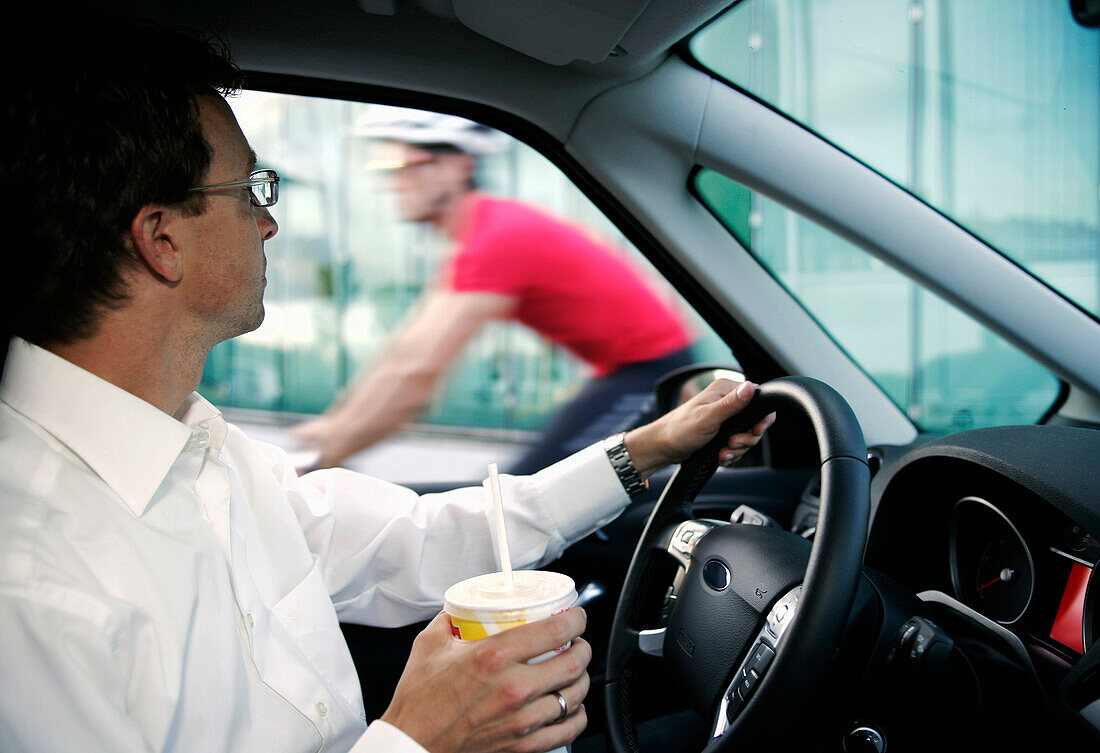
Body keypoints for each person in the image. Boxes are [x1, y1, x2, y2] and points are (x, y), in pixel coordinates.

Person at [0, 14, 774, 753]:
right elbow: (409, 369)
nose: (268, 222)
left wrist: (646, 450)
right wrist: (419, 736)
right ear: (161, 239)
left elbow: (422, 539)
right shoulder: (32, 587)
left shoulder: (205, 447)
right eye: (249, 191)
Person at [292, 109, 698, 473]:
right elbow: (407, 350)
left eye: (404, 163)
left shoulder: (497, 238)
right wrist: (338, 425)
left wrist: (325, 457)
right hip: (623, 371)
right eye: (384, 166)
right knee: (528, 495)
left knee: (542, 498)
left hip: (652, 374)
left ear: (457, 166)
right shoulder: (480, 233)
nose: (392, 182)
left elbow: (416, 375)